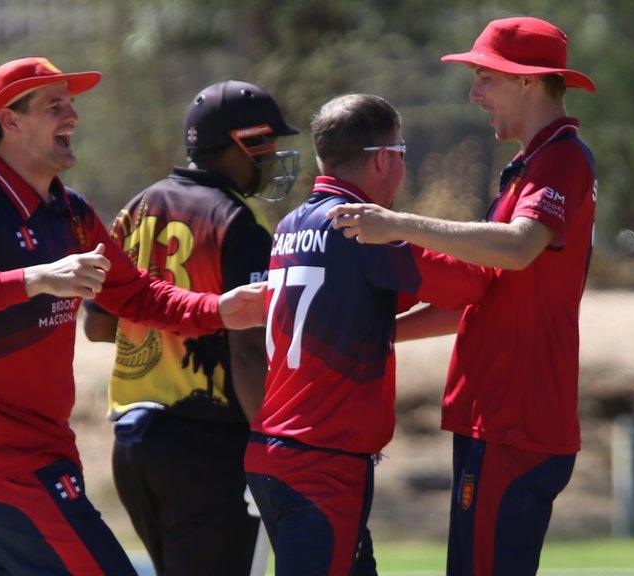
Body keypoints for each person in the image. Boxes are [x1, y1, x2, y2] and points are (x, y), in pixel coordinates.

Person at [0, 57, 264, 576]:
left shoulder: (72, 212)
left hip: (44, 451)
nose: (72, 116)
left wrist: (219, 309)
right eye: (55, 106)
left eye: (71, 103)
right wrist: (38, 278)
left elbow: (136, 296)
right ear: (10, 121)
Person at [328, 17, 597, 576]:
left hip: (515, 417)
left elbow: (519, 247)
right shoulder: (528, 167)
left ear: (528, 81)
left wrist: (398, 223)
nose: (475, 94)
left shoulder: (561, 159)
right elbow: (482, 294)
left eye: (485, 78)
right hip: (494, 416)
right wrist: (382, 333)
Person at [246, 93, 488, 576]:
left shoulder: (292, 223)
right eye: (401, 154)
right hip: (323, 464)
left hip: (278, 452)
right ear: (383, 160)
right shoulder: (362, 227)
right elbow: (473, 281)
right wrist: (408, 226)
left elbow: (389, 302)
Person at [82, 80, 299, 575]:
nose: (273, 157)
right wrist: (272, 445)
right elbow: (246, 350)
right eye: (267, 144)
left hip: (134, 448)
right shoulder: (237, 222)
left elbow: (96, 327)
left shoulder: (136, 208)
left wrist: (159, 334)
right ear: (241, 143)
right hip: (206, 450)